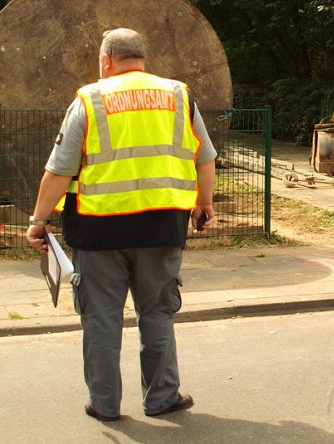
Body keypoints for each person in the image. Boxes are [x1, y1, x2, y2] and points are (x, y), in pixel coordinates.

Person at [26, 28, 217, 421]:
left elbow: (59, 171)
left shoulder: (90, 100)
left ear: (105, 60)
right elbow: (205, 158)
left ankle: (105, 404)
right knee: (157, 315)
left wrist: (39, 220)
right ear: (141, 58)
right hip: (162, 228)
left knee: (101, 320)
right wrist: (203, 203)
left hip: (98, 234)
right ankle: (162, 399)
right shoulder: (179, 96)